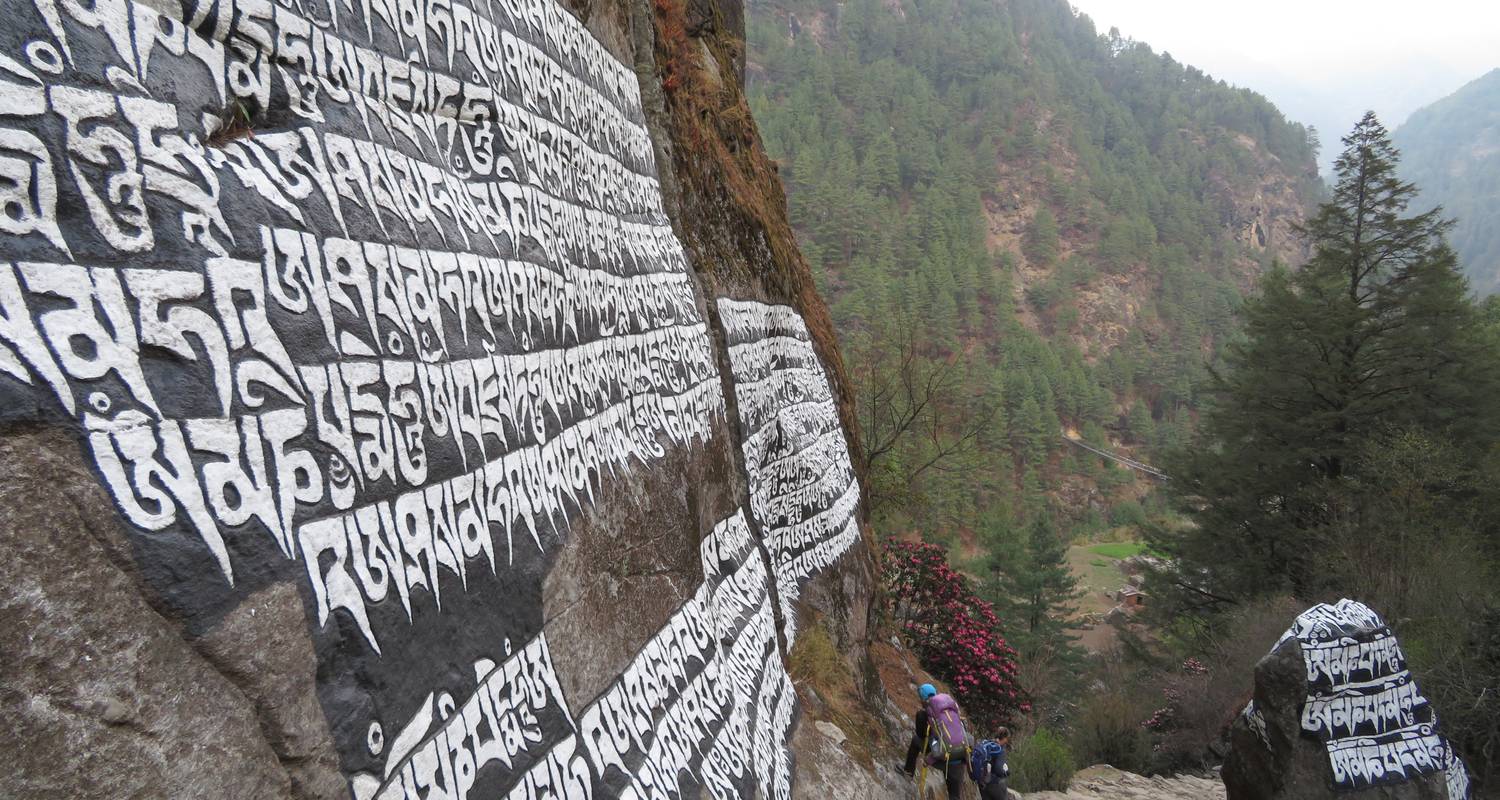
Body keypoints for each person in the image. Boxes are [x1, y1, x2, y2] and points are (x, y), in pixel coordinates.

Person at [903, 683, 967, 800]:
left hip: (939, 756)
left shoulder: (923, 714)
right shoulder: (951, 709)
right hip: (958, 756)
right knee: (954, 795)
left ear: (922, 698)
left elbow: (921, 735)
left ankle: (908, 772)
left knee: (916, 740)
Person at [970, 728, 1010, 800]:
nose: (1007, 740)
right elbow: (998, 770)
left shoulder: (986, 743)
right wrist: (1006, 772)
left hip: (982, 783)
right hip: (994, 784)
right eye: (1007, 738)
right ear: (1004, 738)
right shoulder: (999, 750)